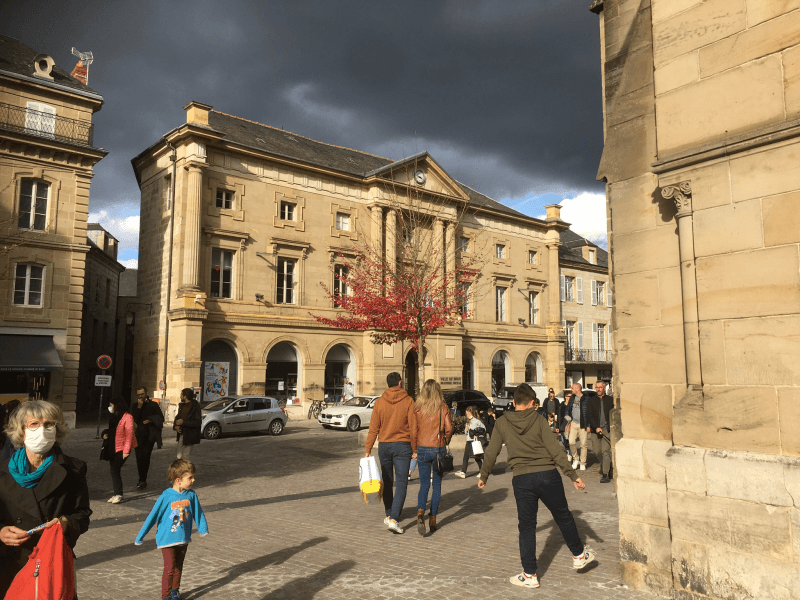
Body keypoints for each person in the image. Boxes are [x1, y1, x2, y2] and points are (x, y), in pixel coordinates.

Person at [477, 384, 595, 589]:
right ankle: (579, 555)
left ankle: (530, 574)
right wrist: (572, 475)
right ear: (532, 403)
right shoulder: (539, 419)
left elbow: (492, 451)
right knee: (563, 516)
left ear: (513, 403)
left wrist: (484, 475)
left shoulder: (503, 422)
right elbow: (556, 450)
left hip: (522, 479)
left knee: (527, 527)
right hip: (548, 475)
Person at [0, 400, 92, 598]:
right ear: (22, 431)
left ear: (57, 430)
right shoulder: (1, 471)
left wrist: (66, 522)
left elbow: (83, 515)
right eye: (34, 424)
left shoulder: (74, 470)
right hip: (9, 562)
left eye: (49, 424)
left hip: (50, 564)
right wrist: (0, 531)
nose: (42, 429)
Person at [135, 459, 209, 600]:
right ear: (178, 480)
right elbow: (153, 516)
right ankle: (166, 595)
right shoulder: (166, 496)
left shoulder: (191, 495)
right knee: (169, 568)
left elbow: (198, 512)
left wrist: (202, 528)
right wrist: (141, 535)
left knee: (178, 567)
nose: (194, 480)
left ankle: (175, 591)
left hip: (184, 537)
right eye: (190, 477)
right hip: (167, 538)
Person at [364, 372, 418, 535]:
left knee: (387, 480)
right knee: (402, 482)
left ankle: (389, 514)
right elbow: (414, 427)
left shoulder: (380, 402)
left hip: (385, 446)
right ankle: (394, 518)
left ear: (387, 385)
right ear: (400, 383)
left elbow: (373, 428)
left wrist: (367, 449)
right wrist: (415, 449)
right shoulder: (408, 401)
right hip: (402, 446)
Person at [411, 379, 453, 535]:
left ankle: (420, 510)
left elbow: (414, 432)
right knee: (437, 484)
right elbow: (449, 428)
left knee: (423, 484)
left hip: (422, 448)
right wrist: (445, 440)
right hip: (437, 448)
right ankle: (433, 518)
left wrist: (414, 448)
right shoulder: (442, 408)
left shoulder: (418, 408)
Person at [132, 387, 165, 490]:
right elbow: (133, 419)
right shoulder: (134, 405)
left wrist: (150, 420)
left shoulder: (153, 405)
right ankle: (141, 478)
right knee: (138, 458)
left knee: (145, 458)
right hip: (137, 437)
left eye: (142, 394)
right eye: (138, 395)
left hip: (149, 437)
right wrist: (139, 407)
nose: (140, 396)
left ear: (146, 393)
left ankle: (143, 480)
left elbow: (161, 418)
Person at [105, 396, 137, 503]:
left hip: (122, 448)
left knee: (114, 469)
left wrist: (126, 451)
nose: (110, 407)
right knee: (114, 470)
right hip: (113, 447)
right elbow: (111, 431)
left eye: (111, 405)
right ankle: (116, 493)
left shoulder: (128, 417)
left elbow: (129, 434)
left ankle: (118, 494)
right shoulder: (115, 417)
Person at [588, 381, 614, 483]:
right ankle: (608, 466)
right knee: (597, 452)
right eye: (597, 387)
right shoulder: (591, 401)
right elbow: (590, 416)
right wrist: (596, 427)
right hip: (595, 431)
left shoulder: (610, 400)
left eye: (600, 387)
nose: (598, 389)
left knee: (605, 451)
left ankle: (605, 474)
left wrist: (608, 427)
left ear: (604, 388)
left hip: (606, 430)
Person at [454, 406, 486, 478]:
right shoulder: (468, 421)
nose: (467, 415)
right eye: (466, 414)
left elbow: (483, 429)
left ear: (472, 413)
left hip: (474, 441)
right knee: (467, 457)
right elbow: (466, 433)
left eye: (468, 413)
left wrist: (477, 435)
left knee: (477, 457)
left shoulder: (477, 421)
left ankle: (481, 472)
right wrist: (466, 430)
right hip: (469, 441)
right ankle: (463, 472)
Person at [174, 388, 202, 459]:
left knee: (185, 456)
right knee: (179, 455)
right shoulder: (181, 405)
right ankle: (180, 469)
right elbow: (177, 418)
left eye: (181, 395)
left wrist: (184, 422)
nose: (180, 397)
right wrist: (175, 426)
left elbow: (198, 422)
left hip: (190, 435)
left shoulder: (195, 407)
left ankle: (185, 469)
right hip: (181, 433)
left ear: (185, 396)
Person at [568, 383, 591, 471]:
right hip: (573, 423)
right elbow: (568, 410)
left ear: (578, 389)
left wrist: (588, 425)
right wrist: (568, 419)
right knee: (571, 442)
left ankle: (582, 463)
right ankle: (576, 459)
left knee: (583, 444)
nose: (571, 390)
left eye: (573, 388)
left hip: (583, 424)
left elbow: (589, 412)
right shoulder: (572, 398)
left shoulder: (586, 398)